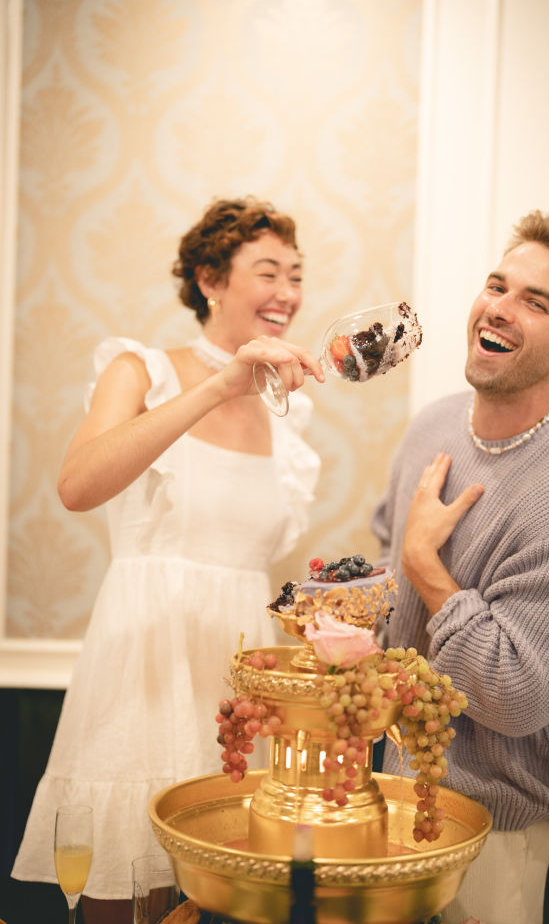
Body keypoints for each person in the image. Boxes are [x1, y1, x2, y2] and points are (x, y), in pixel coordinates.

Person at [12, 197, 324, 923]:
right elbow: (76, 485)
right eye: (268, 272)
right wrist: (219, 384)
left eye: (296, 275)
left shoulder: (291, 415)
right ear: (210, 280)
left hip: (237, 687)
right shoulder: (139, 369)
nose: (287, 293)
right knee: (125, 893)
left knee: (224, 901)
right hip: (143, 670)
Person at [371, 211, 549, 924]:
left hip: (494, 836)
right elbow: (389, 554)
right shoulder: (433, 425)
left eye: (535, 302)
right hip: (389, 792)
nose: (499, 308)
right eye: (497, 285)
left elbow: (515, 697)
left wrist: (425, 567)